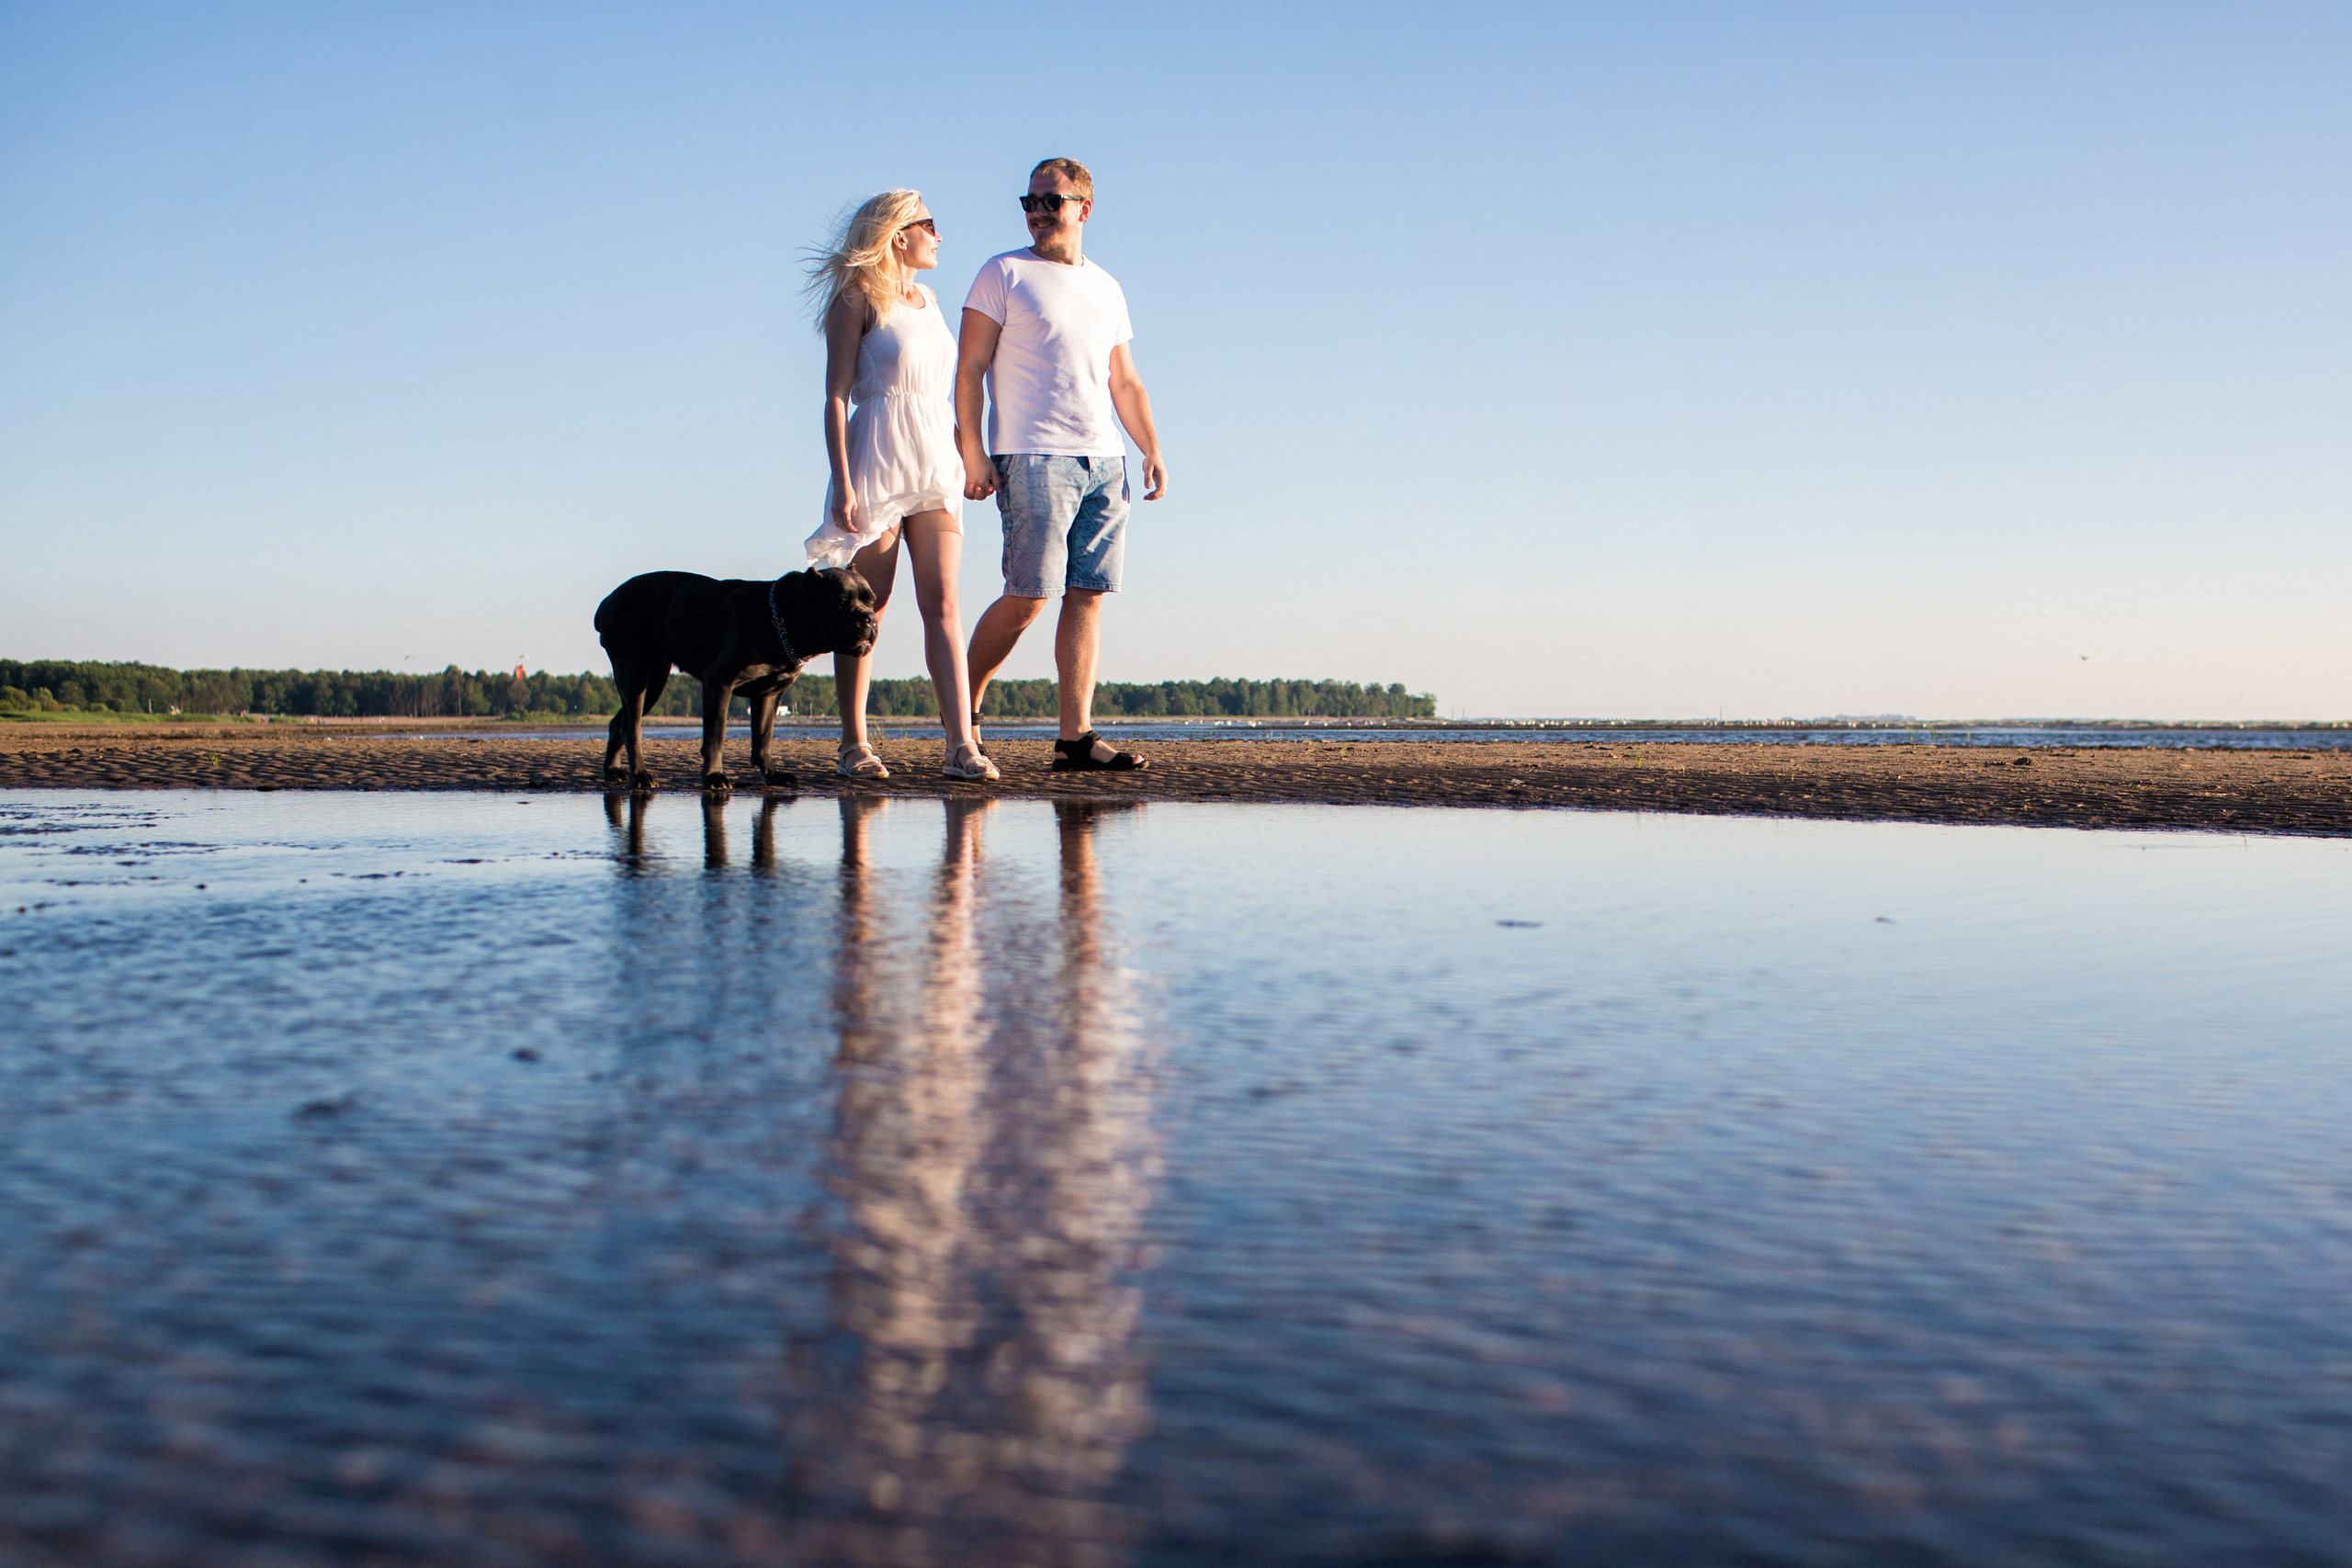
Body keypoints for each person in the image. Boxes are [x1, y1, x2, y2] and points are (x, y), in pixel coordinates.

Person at [956, 158, 1166, 772]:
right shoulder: (1003, 273)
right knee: (1028, 595)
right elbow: (969, 369)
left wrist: (1151, 449)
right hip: (1031, 455)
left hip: (1104, 459)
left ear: (1084, 208)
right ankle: (962, 712)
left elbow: (1124, 380)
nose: (1038, 212)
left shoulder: (1107, 287)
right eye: (1030, 202)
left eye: (1051, 201)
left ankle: (1075, 738)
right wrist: (973, 451)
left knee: (1089, 595)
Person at [806, 190, 997, 781]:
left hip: (935, 459)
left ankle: (960, 743)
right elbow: (835, 397)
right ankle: (854, 743)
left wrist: (970, 456)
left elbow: (945, 390)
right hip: (877, 459)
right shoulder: (856, 298)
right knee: (868, 605)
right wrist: (843, 481)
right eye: (929, 225)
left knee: (943, 600)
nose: (939, 236)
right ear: (897, 235)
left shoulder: (930, 300)